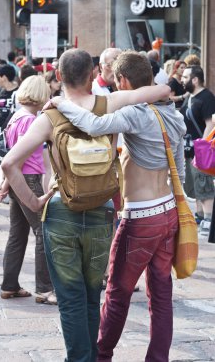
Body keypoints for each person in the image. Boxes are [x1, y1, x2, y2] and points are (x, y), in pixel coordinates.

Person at [1, 48, 170, 362]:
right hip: (102, 212)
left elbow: (10, 163)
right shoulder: (109, 103)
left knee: (70, 299)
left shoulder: (50, 116)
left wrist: (35, 202)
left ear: (60, 77)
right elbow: (162, 89)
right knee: (94, 296)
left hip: (62, 212)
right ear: (94, 76)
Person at [53, 50, 186, 362]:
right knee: (161, 296)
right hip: (168, 211)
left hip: (141, 218)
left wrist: (61, 103)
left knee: (116, 293)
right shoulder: (175, 117)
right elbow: (179, 168)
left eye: (115, 83)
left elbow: (93, 125)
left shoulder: (136, 114)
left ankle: (101, 355)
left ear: (123, 81)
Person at [0, 75, 54, 304]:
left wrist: (6, 185)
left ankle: (10, 285)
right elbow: (18, 159)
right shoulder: (30, 121)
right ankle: (44, 288)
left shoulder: (16, 117)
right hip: (28, 181)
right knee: (43, 231)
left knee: (17, 234)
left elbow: (12, 158)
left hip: (17, 180)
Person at [181, 65, 215, 236]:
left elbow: (211, 123)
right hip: (190, 149)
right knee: (194, 185)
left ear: (195, 79)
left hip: (202, 150)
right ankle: (200, 216)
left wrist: (202, 145)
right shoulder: (191, 97)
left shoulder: (207, 97)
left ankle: (208, 218)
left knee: (204, 183)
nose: (182, 80)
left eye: (185, 77)